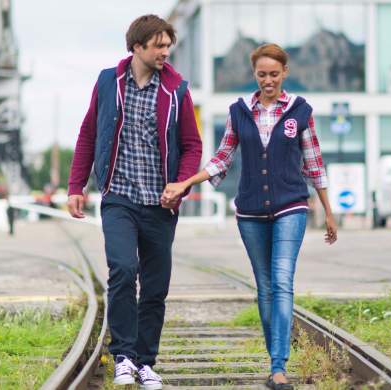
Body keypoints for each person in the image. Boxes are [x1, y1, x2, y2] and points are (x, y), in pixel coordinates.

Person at [162, 43, 337, 390]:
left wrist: (329, 213)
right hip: (250, 212)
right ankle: (276, 361)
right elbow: (222, 157)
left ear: (285, 73)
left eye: (274, 74)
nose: (268, 80)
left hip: (291, 206)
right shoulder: (239, 111)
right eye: (262, 74)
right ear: (254, 75)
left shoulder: (301, 111)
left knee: (282, 282)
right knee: (265, 288)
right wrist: (186, 182)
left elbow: (314, 164)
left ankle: (278, 367)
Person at [67, 14, 202, 388]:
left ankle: (145, 362)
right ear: (137, 46)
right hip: (119, 199)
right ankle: (123, 356)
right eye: (158, 45)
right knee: (123, 271)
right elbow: (88, 133)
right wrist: (76, 185)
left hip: (161, 204)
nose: (165, 52)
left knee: (155, 286)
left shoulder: (176, 90)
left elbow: (191, 145)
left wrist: (181, 184)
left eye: (167, 45)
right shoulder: (108, 83)